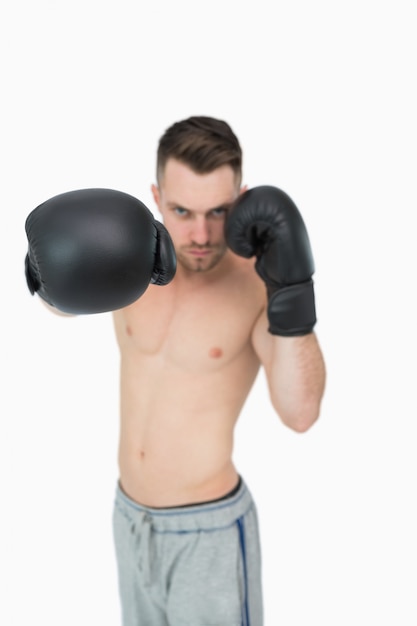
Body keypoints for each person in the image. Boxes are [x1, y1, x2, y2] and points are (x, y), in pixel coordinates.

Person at [24, 116, 326, 626]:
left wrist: (293, 294)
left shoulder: (256, 286)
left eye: (219, 212)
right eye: (182, 211)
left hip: (207, 533)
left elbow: (300, 413)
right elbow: (62, 302)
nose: (201, 235)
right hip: (129, 519)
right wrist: (43, 265)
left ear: (243, 197)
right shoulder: (132, 258)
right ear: (156, 196)